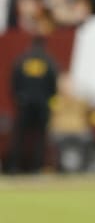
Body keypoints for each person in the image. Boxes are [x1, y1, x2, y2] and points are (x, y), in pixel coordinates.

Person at [8, 35, 58, 173]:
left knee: (19, 137)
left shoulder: (22, 60)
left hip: (24, 104)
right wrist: (49, 101)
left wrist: (19, 98)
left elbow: (14, 82)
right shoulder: (49, 62)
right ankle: (37, 167)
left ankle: (14, 166)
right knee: (40, 137)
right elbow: (53, 86)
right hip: (42, 105)